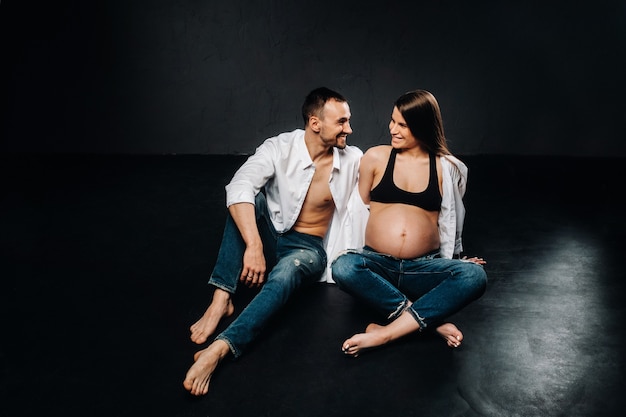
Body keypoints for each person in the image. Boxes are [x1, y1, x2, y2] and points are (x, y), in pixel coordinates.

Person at [183, 87, 363, 395]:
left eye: (348, 121)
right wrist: (254, 245)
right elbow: (239, 184)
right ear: (315, 122)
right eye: (342, 122)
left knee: (285, 274)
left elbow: (391, 191)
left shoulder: (353, 160)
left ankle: (222, 348)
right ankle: (221, 298)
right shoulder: (280, 147)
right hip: (271, 234)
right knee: (248, 198)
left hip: (306, 250)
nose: (349, 128)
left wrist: (446, 251)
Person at [331, 89, 487, 357]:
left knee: (474, 276)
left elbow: (452, 218)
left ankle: (385, 333)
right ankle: (432, 323)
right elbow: (358, 209)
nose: (393, 129)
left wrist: (457, 259)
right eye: (392, 121)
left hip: (422, 268)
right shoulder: (376, 158)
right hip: (378, 265)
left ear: (422, 126)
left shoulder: (445, 167)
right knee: (343, 266)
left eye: (402, 125)